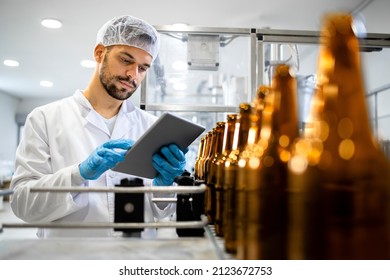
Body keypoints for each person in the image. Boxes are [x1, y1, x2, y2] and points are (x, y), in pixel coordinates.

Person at [10, 15, 187, 238]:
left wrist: (164, 187)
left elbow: (161, 214)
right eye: (126, 60)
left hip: (134, 262)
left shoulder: (150, 126)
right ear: (99, 53)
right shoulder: (45, 118)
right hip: (71, 260)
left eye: (143, 68)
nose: (133, 75)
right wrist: (78, 174)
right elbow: (23, 205)